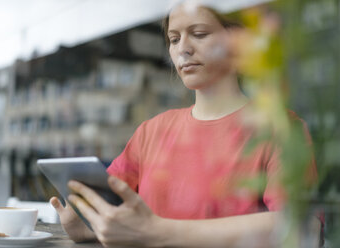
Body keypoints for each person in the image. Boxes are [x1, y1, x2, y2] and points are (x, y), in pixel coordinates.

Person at [50, 2, 321, 247]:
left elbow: (302, 228)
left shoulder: (279, 128)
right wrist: (87, 223)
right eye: (174, 39)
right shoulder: (150, 131)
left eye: (200, 34)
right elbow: (120, 219)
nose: (184, 48)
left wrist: (157, 232)